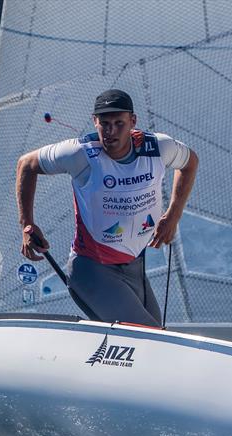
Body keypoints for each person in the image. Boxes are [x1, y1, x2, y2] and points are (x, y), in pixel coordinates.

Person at [16, 89, 198, 326]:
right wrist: (27, 224)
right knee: (150, 334)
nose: (110, 132)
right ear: (95, 122)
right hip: (93, 271)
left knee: (155, 338)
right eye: (104, 124)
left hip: (135, 268)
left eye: (119, 124)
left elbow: (190, 162)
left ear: (133, 122)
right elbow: (26, 165)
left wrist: (173, 215)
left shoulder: (157, 148)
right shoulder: (80, 153)